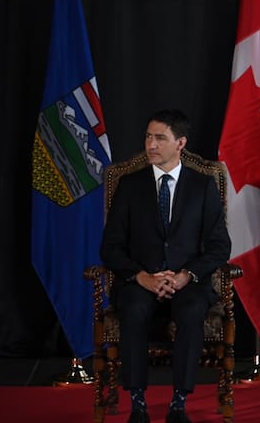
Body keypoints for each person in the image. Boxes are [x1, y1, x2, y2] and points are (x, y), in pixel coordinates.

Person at [101, 109, 232, 423]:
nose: (151, 144)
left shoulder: (202, 186)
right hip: (138, 281)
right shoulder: (129, 185)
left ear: (180, 143)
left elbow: (219, 246)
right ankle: (137, 403)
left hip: (187, 282)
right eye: (148, 137)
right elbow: (110, 247)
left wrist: (187, 275)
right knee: (132, 310)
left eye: (160, 138)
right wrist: (141, 276)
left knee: (190, 312)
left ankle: (178, 403)